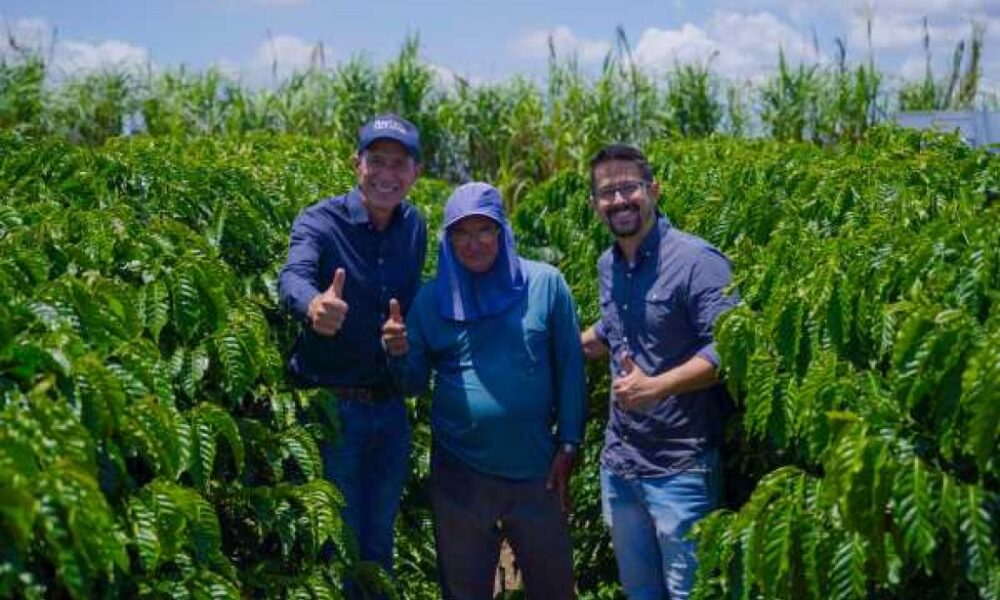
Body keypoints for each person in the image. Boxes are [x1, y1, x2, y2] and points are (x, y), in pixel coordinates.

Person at [381, 182, 585, 600]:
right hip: (461, 474)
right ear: (448, 240)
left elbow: (570, 368)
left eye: (484, 230)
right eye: (461, 232)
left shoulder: (545, 286)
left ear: (502, 231)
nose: (473, 243)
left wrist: (569, 443)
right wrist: (398, 353)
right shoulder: (431, 300)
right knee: (464, 590)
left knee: (554, 587)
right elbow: (413, 384)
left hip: (536, 470)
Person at [580, 144, 738, 600]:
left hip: (680, 469)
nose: (618, 200)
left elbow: (729, 347)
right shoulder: (608, 265)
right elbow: (613, 330)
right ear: (595, 203)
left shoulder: (697, 261)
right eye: (606, 192)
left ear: (654, 189)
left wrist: (657, 387)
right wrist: (557, 344)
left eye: (628, 187)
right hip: (621, 468)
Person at [278, 114, 426, 593]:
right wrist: (312, 305)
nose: (387, 174)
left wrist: (402, 342)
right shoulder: (321, 221)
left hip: (390, 410)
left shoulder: (415, 226)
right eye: (376, 160)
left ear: (416, 172)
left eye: (399, 164)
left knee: (379, 546)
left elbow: (409, 309)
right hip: (333, 410)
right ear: (356, 164)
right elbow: (292, 276)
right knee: (335, 549)